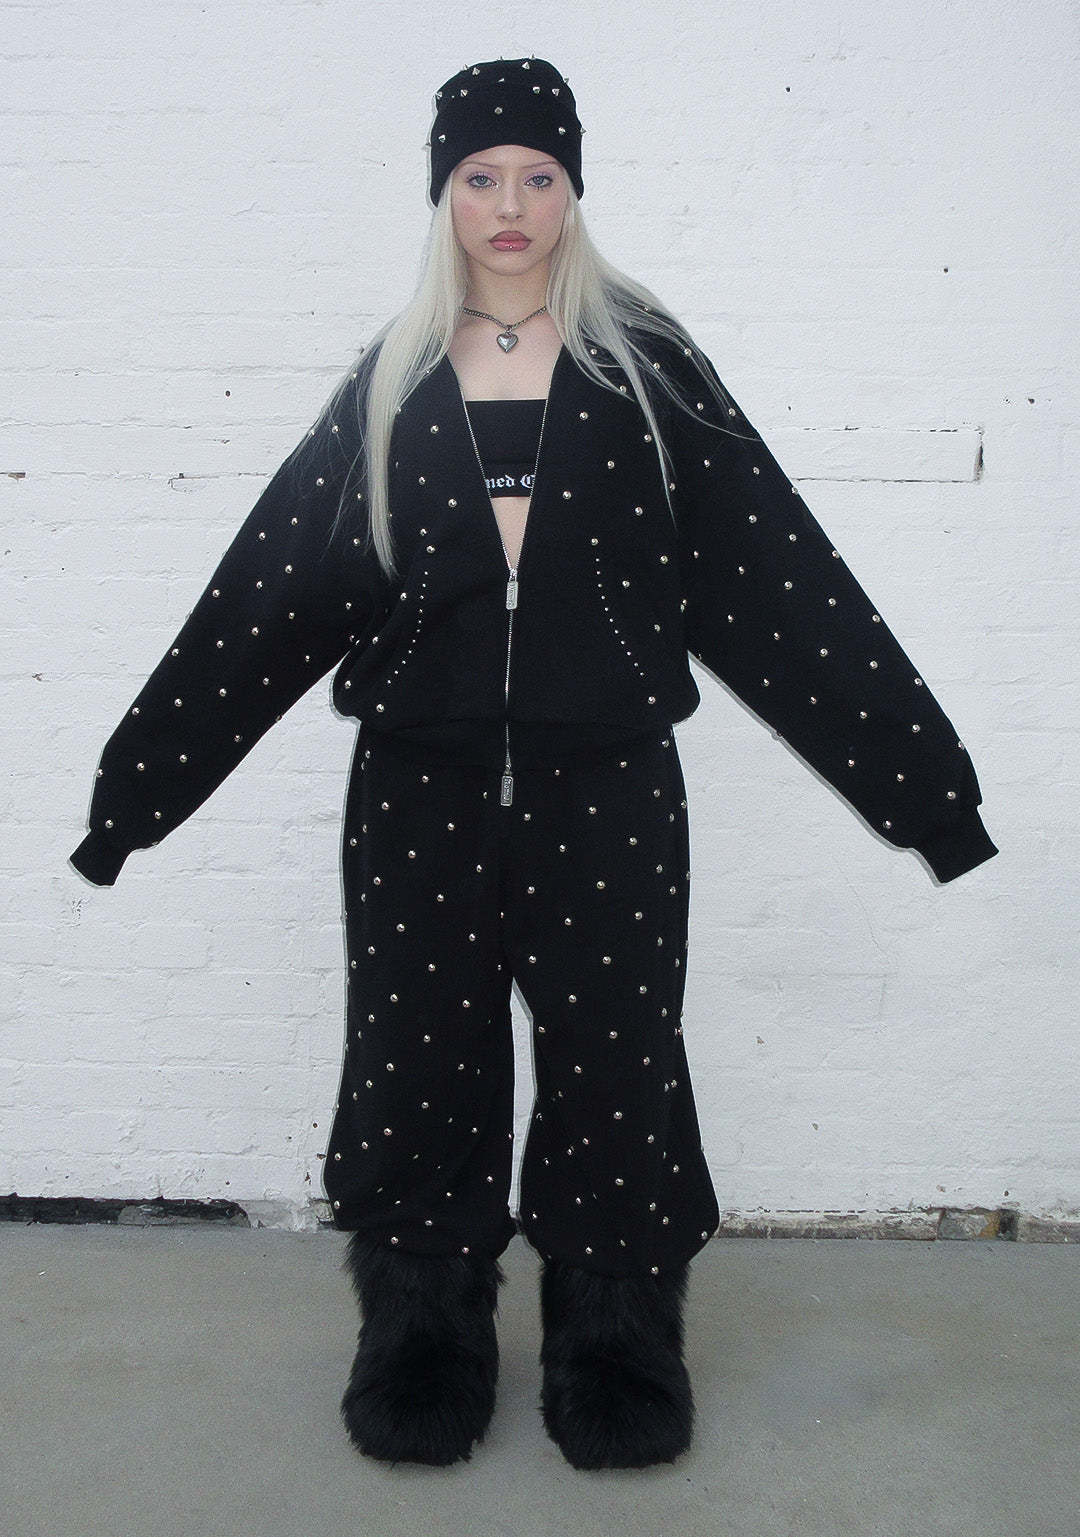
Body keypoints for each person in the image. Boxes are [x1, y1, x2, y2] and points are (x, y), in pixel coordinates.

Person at [69, 56, 999, 1471]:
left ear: (574, 191)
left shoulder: (646, 374)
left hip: (608, 791)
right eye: (480, 177)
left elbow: (783, 589)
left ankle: (617, 1346)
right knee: (414, 1066)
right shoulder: (392, 385)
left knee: (619, 1068)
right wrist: (132, 801)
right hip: (419, 793)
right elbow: (265, 601)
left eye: (538, 177)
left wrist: (930, 798)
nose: (509, 207)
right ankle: (422, 1340)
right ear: (442, 192)